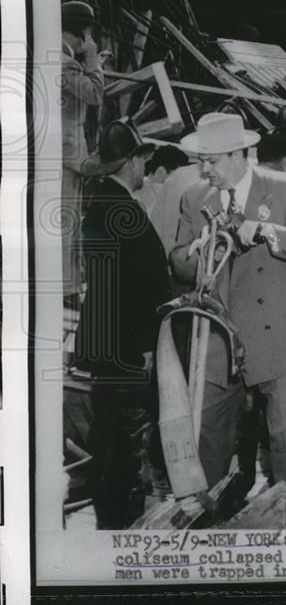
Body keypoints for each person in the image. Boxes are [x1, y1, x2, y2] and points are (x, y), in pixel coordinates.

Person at [171, 112, 286, 487]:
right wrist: (196, 254)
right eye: (200, 161)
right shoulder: (194, 198)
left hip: (279, 332)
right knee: (206, 435)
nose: (203, 170)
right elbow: (176, 260)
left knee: (285, 439)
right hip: (219, 338)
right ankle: (207, 522)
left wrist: (265, 230)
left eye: (210, 161)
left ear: (239, 154)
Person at [74, 118, 169, 528]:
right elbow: (142, 284)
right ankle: (121, 524)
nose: (145, 166)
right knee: (127, 441)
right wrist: (147, 345)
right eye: (142, 158)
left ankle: (109, 516)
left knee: (108, 437)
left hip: (104, 341)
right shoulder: (124, 210)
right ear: (129, 161)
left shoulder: (99, 203)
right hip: (128, 347)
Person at [61, 0, 105, 298]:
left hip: (62, 153)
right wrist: (93, 61)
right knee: (66, 222)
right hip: (64, 155)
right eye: (88, 34)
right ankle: (66, 289)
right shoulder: (64, 61)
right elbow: (95, 94)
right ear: (80, 32)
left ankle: (68, 286)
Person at [135, 144, 190, 213]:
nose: (179, 182)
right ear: (161, 172)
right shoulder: (162, 197)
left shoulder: (135, 186)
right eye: (177, 176)